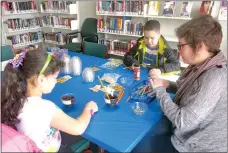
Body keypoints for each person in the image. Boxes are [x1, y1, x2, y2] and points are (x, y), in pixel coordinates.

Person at [149, 14, 227, 152]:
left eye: (181, 46)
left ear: (199, 46)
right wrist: (168, 84)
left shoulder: (214, 77)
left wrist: (160, 90)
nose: (178, 51)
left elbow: (182, 121)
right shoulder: (202, 63)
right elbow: (190, 89)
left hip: (194, 146)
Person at [1, 50, 99, 152]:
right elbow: (78, 128)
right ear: (41, 80)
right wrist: (88, 109)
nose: (56, 81)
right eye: (54, 77)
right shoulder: (44, 108)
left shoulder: (11, 97)